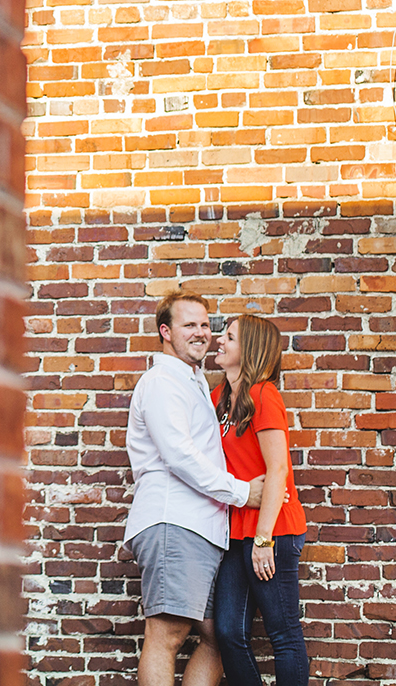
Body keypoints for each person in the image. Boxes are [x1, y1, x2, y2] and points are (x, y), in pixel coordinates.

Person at [125, 291, 265, 686]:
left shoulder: (196, 383)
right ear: (165, 332)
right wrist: (242, 492)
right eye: (190, 325)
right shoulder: (161, 383)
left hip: (201, 530)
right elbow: (180, 456)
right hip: (175, 522)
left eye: (205, 324)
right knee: (166, 634)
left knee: (218, 637)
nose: (201, 333)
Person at [210, 313, 311, 686]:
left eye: (230, 337)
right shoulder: (218, 397)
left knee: (282, 634)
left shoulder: (264, 396)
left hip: (272, 532)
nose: (219, 340)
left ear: (248, 349)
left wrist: (264, 539)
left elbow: (278, 470)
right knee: (228, 633)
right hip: (236, 534)